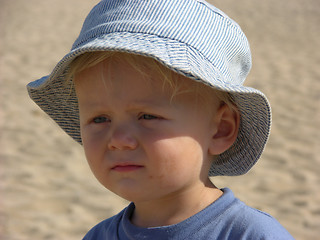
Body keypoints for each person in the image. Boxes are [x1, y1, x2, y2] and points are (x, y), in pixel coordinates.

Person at [27, 0, 294, 239]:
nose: (119, 140)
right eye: (100, 119)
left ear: (220, 129)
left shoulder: (251, 235)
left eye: (147, 116)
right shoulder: (98, 235)